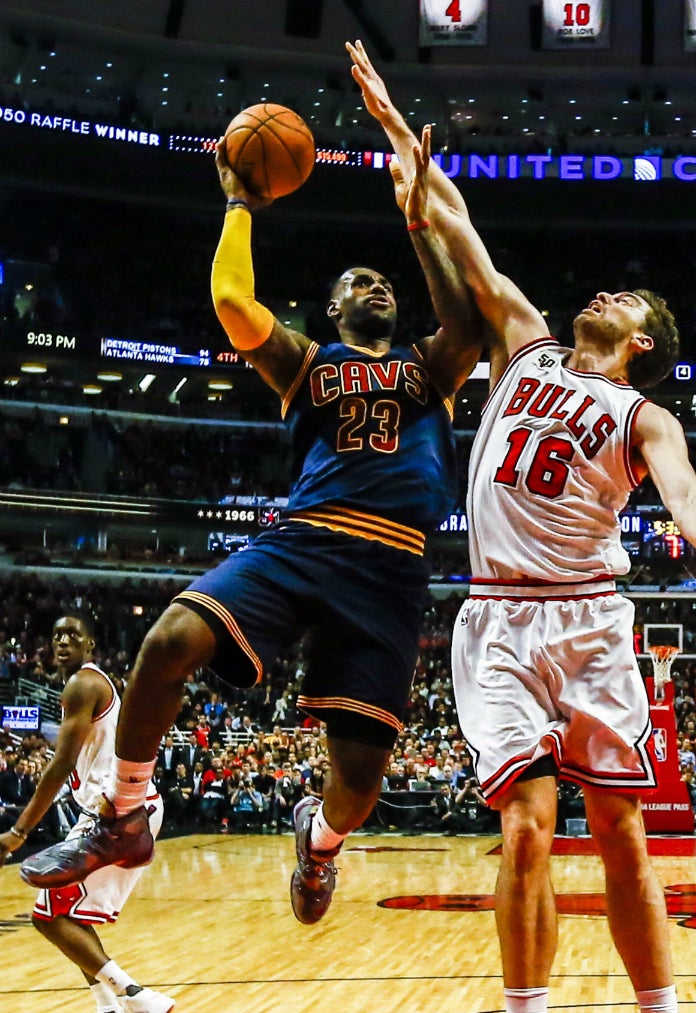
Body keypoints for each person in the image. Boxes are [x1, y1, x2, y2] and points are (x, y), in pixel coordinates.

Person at [348, 39, 696, 1013]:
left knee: (619, 835)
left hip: (590, 620)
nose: (598, 293)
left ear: (641, 342)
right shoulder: (525, 343)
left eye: (622, 299)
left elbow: (693, 499)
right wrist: (393, 133)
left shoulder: (641, 416)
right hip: (497, 618)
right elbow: (454, 223)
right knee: (523, 827)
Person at [18, 112, 480, 933]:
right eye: (357, 281)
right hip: (303, 541)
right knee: (165, 642)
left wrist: (418, 219)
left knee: (363, 783)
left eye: (384, 282)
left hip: (389, 570)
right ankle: (124, 815)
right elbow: (233, 300)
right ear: (331, 308)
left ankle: (322, 841)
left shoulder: (429, 367)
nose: (374, 287)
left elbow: (468, 325)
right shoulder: (307, 361)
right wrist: (239, 202)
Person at [0, 614, 172, 1013]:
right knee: (66, 916)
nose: (62, 641)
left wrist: (19, 833)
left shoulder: (83, 684)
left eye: (72, 635)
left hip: (118, 815)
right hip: (115, 811)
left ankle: (138, 1000)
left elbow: (59, 766)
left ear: (90, 644)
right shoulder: (80, 687)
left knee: (49, 916)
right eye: (55, 634)